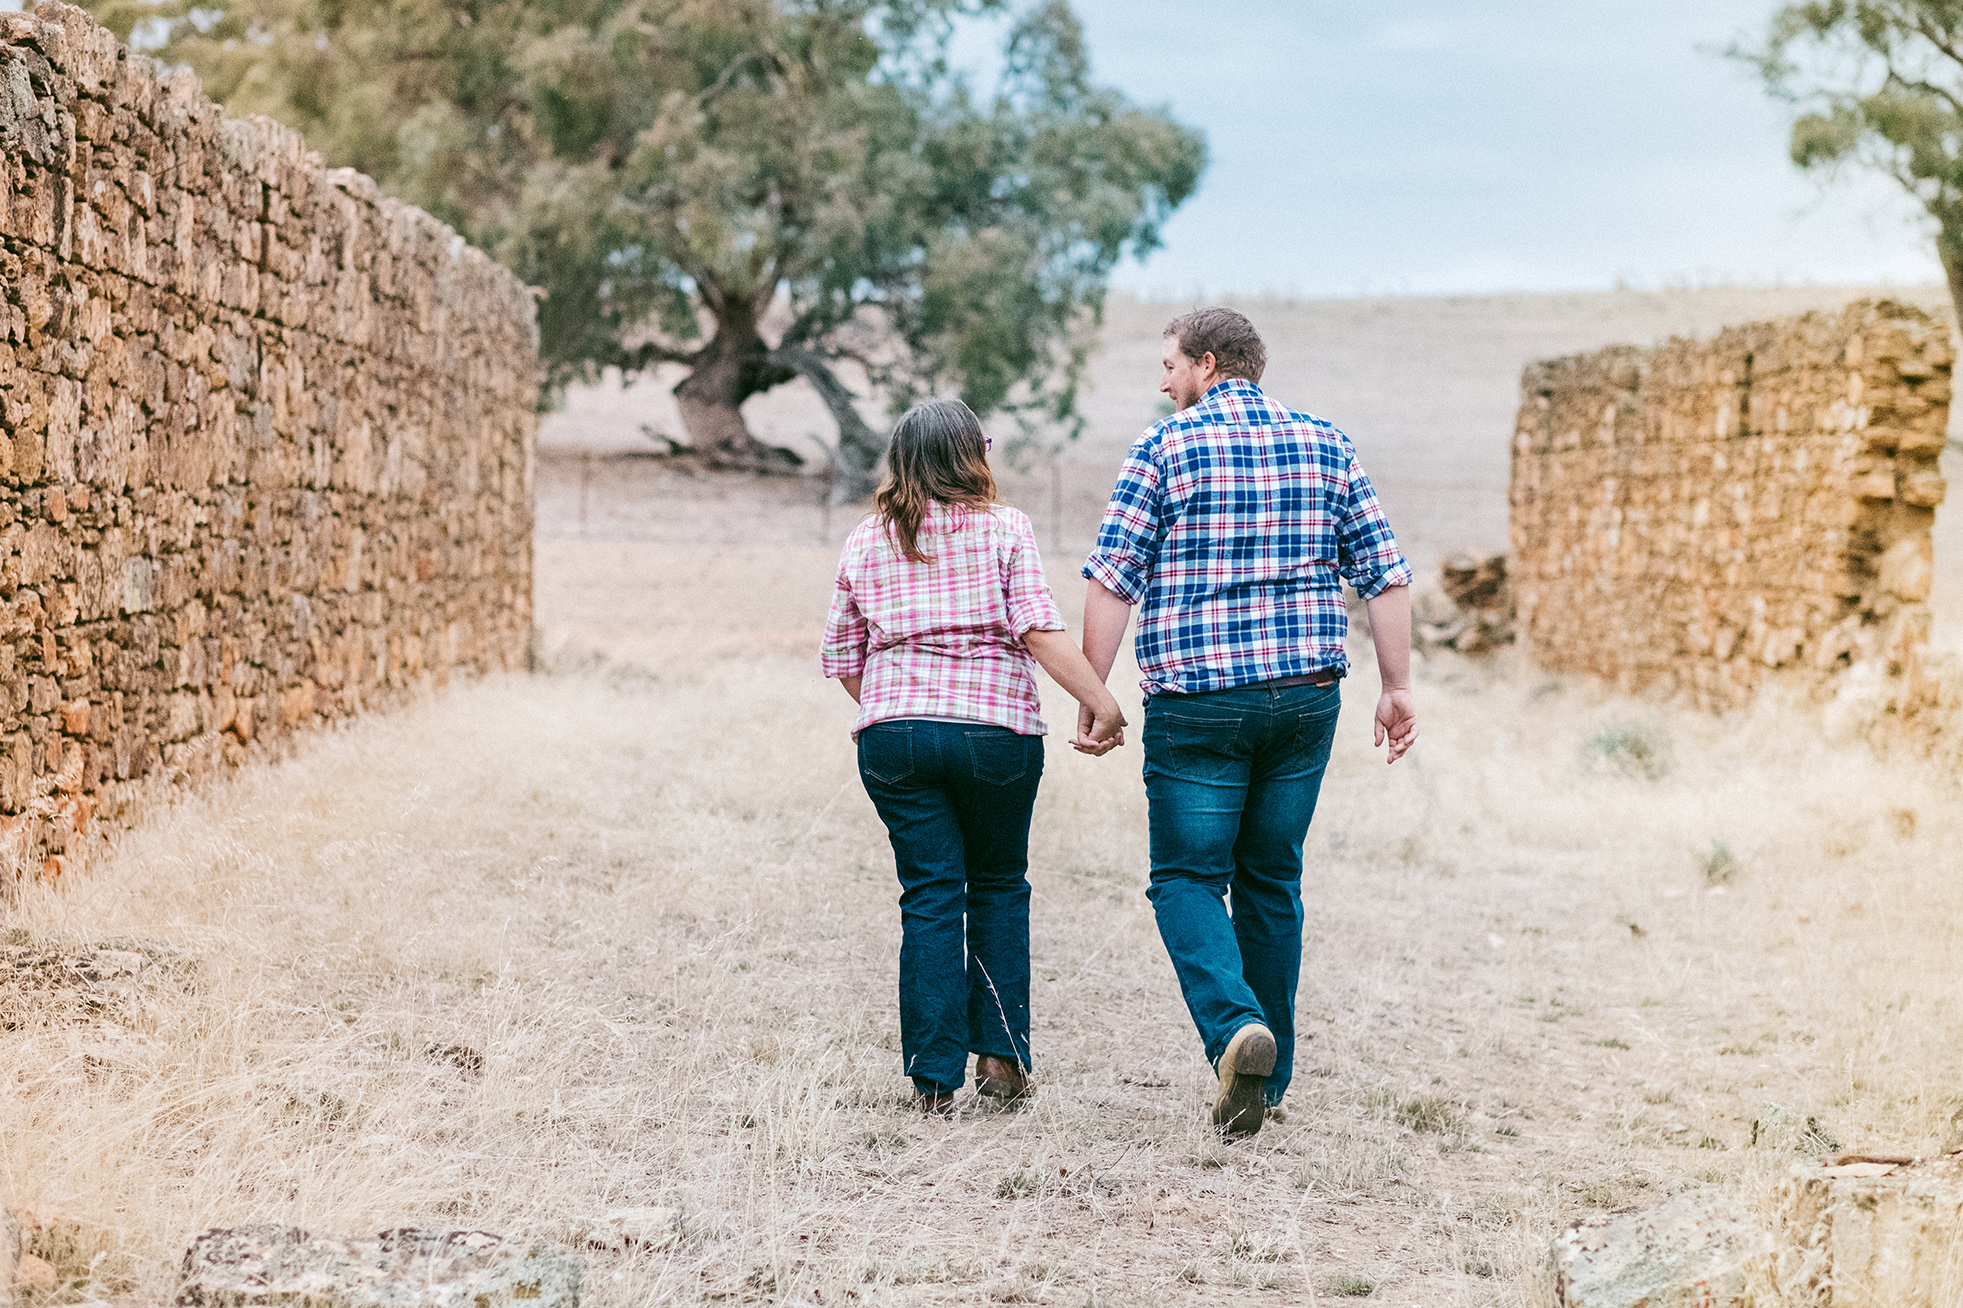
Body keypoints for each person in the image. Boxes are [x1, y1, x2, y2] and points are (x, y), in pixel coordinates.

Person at [1077, 307, 1417, 1139]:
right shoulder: (1326, 444)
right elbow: (1386, 575)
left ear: (1206, 362)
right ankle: (1267, 1081)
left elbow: (1112, 581)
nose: (1162, 383)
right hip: (1305, 699)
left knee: (1188, 878)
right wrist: (1397, 686)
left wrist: (1092, 692)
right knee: (1271, 877)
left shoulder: (1162, 449)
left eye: (1168, 366)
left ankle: (1235, 1032)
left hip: (1199, 703)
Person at [821, 399, 1127, 1115]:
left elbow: (841, 656)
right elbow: (1038, 631)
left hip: (893, 736)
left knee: (930, 894)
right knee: (996, 884)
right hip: (995, 736)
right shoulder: (1005, 528)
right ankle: (1000, 1059)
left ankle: (931, 1076)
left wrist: (897, 703)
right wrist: (1102, 701)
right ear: (972, 455)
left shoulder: (865, 541)